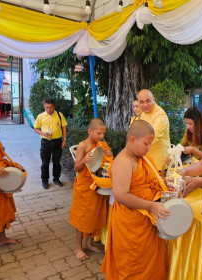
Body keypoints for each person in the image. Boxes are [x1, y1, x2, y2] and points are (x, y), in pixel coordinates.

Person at [101, 120, 169, 279]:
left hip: (146, 221)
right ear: (132, 139)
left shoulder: (142, 158)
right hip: (130, 223)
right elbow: (121, 195)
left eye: (150, 144)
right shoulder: (124, 162)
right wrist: (151, 206)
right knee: (132, 265)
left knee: (148, 262)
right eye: (146, 143)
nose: (148, 148)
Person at [69, 118, 113, 261]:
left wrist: (109, 155)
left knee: (94, 214)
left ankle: (88, 243)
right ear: (90, 131)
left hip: (98, 183)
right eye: (98, 133)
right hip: (84, 186)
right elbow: (76, 168)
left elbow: (107, 162)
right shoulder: (83, 145)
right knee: (82, 216)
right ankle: (78, 247)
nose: (101, 136)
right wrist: (84, 160)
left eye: (103, 134)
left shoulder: (101, 144)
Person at [34, 98, 68, 189]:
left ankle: (56, 179)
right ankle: (45, 180)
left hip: (57, 142)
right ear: (44, 107)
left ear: (54, 106)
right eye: (46, 108)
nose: (49, 109)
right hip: (45, 142)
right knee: (45, 162)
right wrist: (43, 133)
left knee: (57, 162)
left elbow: (64, 127)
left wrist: (64, 140)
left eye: (50, 107)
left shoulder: (59, 115)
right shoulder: (40, 116)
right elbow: (36, 128)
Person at [0, 138, 24, 246]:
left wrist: (13, 164)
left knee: (2, 212)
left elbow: (1, 158)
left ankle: (2, 239)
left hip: (1, 182)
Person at [138, 89, 170, 171]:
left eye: (148, 101)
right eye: (141, 102)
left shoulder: (160, 115)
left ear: (154, 99)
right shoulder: (143, 113)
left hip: (160, 163)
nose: (145, 105)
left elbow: (152, 137)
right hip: (146, 160)